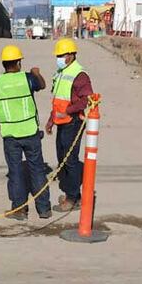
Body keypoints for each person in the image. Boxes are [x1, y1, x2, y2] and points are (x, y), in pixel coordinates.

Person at [0, 44, 51, 220]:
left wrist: (4, 121)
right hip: (30, 132)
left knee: (15, 172)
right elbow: (42, 85)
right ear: (18, 62)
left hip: (10, 135)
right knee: (37, 170)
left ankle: (19, 210)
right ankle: (44, 209)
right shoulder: (28, 78)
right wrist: (37, 73)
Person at [45, 38, 94, 213]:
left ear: (72, 55)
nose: (59, 58)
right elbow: (58, 99)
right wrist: (52, 119)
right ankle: (72, 194)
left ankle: (73, 197)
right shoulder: (61, 72)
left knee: (70, 160)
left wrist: (68, 111)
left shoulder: (80, 75)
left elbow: (86, 99)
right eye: (57, 55)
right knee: (62, 158)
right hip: (61, 122)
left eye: (62, 55)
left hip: (73, 122)